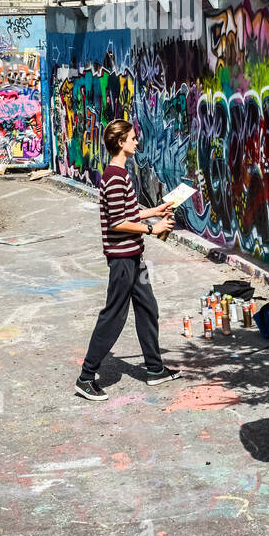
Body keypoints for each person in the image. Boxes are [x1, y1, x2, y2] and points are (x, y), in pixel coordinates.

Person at [75, 119, 179, 401]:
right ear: (120, 143)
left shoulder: (119, 174)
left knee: (148, 308)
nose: (136, 142)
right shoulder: (115, 176)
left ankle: (155, 369)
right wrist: (152, 228)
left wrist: (154, 210)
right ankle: (86, 377)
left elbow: (128, 212)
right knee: (114, 316)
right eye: (132, 138)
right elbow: (118, 222)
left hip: (134, 256)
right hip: (122, 259)